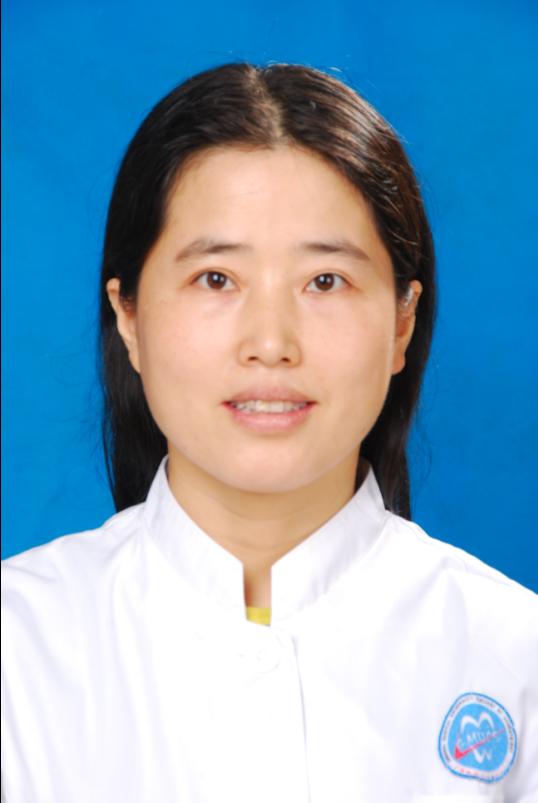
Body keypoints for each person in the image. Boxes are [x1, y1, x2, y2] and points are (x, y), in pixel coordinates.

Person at [1, 62, 536, 803]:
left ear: (402, 323)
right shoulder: (19, 648)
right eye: (216, 278)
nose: (271, 343)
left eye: (325, 281)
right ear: (129, 317)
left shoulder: (514, 656)